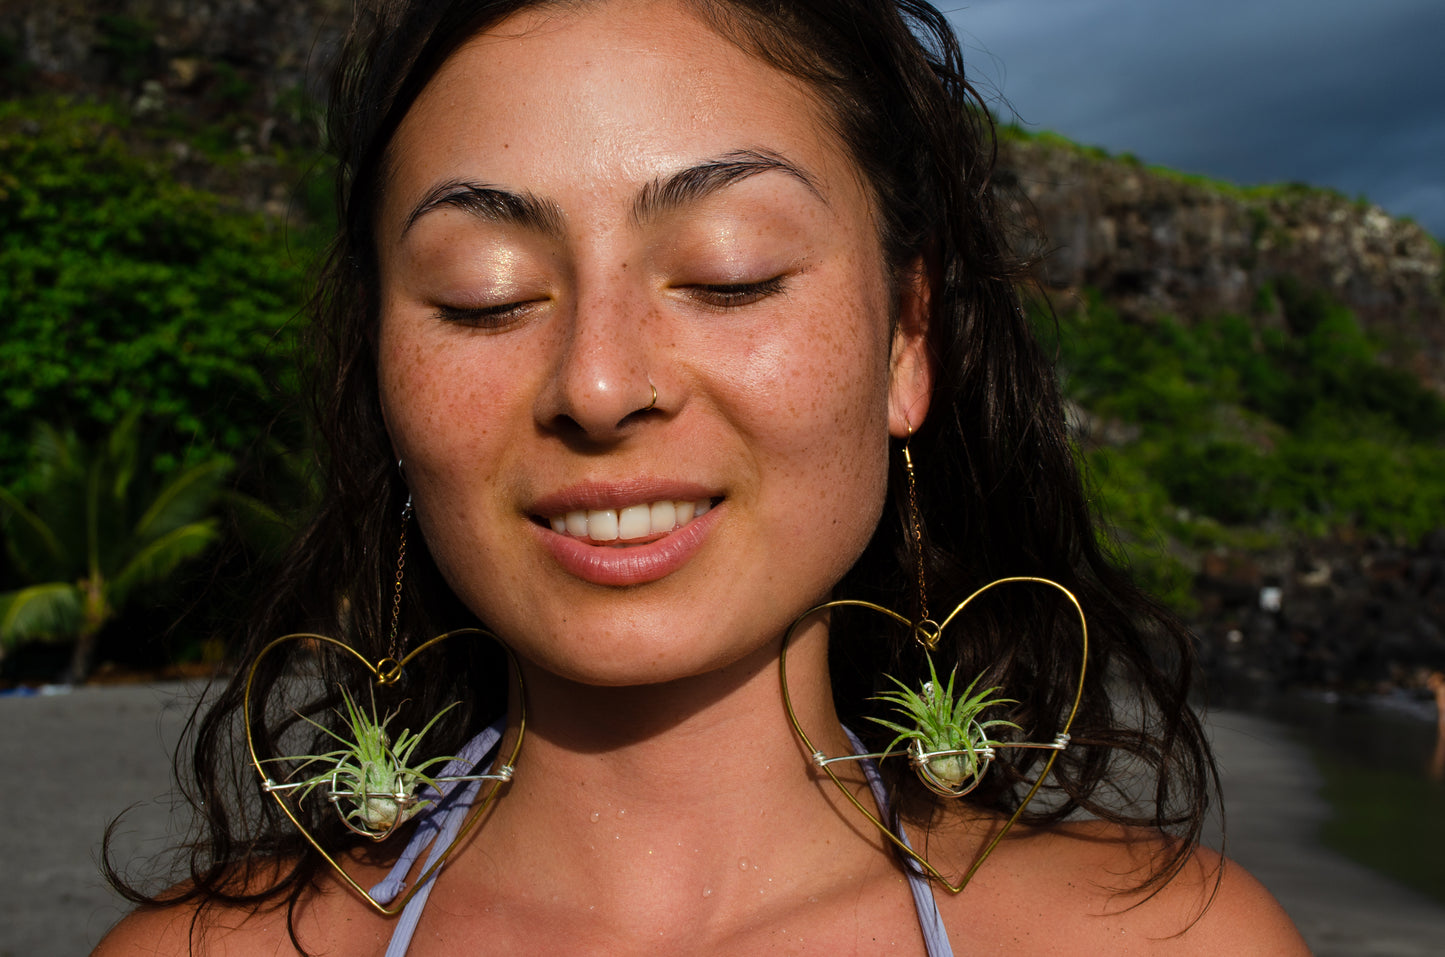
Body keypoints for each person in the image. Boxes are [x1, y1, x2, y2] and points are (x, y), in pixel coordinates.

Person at [95, 0, 1308, 953]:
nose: (599, 383)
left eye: (727, 275)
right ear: (380, 375)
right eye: (486, 295)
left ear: (905, 338)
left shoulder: (1168, 944)